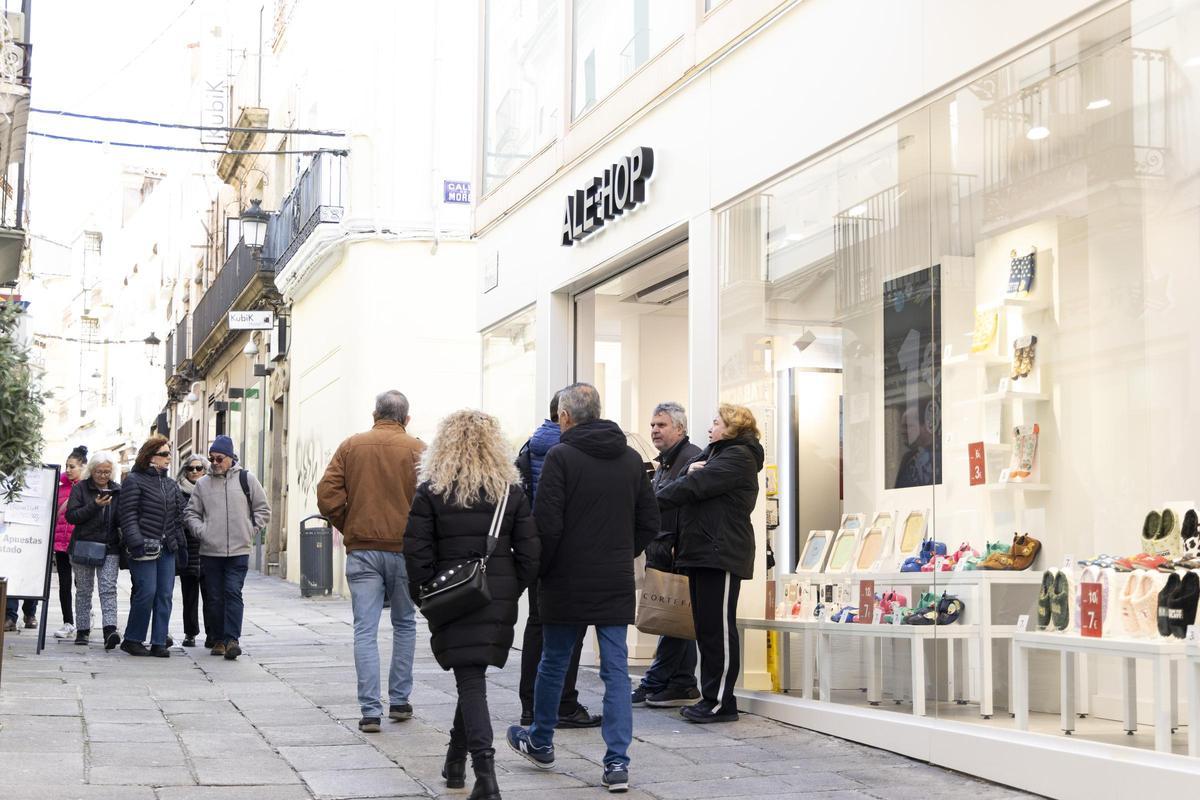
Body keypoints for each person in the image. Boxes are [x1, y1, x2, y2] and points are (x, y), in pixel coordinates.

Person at [507, 383, 659, 794]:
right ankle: (616, 763)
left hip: (566, 579)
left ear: (566, 418)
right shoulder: (630, 458)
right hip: (613, 579)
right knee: (615, 671)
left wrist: (542, 570)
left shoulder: (561, 456)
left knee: (554, 663)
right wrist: (620, 552)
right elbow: (649, 521)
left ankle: (540, 740)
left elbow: (548, 523)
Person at [405, 410, 540, 800]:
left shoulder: (432, 490)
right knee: (472, 675)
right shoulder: (509, 491)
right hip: (495, 597)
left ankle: (486, 774)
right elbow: (531, 554)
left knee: (470, 678)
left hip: (450, 597)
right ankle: (454, 762)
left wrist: (425, 595)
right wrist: (508, 589)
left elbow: (416, 552)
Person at [317, 390, 424, 733]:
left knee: (365, 629)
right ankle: (400, 701)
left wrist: (350, 525)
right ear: (406, 419)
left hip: (362, 550)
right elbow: (432, 500)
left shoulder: (352, 446)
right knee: (405, 623)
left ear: (374, 413)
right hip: (405, 550)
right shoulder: (419, 450)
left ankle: (369, 711)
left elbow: (326, 494)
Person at [656, 404, 763, 723]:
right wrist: (691, 470)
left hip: (721, 553)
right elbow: (689, 475)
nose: (710, 427)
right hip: (704, 552)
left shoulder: (738, 456)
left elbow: (694, 486)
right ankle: (711, 697)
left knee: (718, 629)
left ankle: (720, 702)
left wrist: (650, 502)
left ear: (732, 428)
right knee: (706, 629)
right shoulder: (715, 454)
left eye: (716, 423)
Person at [516, 392, 599, 729]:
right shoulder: (572, 451)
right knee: (571, 629)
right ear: (565, 415)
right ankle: (563, 703)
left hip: (536, 548)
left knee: (537, 625)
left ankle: (530, 704)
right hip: (569, 550)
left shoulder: (531, 445)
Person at [632, 402, 703, 709]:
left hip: (677, 552)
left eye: (661, 425)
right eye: (652, 425)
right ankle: (683, 683)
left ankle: (656, 680)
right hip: (662, 550)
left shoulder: (692, 459)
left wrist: (675, 544)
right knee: (675, 619)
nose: (654, 430)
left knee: (676, 619)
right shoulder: (664, 462)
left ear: (679, 428)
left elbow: (685, 508)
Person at [184, 437, 270, 660]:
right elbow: (190, 514)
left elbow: (263, 509)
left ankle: (232, 639)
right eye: (211, 458)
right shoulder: (203, 484)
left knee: (232, 592)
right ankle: (219, 639)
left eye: (219, 458)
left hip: (239, 551)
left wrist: (249, 530)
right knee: (213, 597)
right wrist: (203, 532)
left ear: (230, 458)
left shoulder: (246, 479)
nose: (214, 462)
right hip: (211, 552)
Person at [117, 435, 188, 657]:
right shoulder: (134, 481)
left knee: (165, 594)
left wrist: (179, 545)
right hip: (143, 548)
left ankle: (159, 641)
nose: (169, 458)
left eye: (169, 453)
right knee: (146, 592)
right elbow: (127, 515)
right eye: (164, 454)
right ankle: (132, 639)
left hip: (166, 548)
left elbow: (179, 516)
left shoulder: (170, 484)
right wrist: (136, 542)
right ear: (150, 457)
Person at [65, 451, 122, 649]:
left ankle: (110, 630)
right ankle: (82, 631)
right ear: (92, 470)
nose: (103, 475)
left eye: (107, 472)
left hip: (110, 547)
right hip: (84, 546)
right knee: (84, 590)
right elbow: (72, 516)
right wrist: (95, 506)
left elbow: (122, 518)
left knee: (108, 589)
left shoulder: (117, 490)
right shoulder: (81, 488)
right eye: (99, 471)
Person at [176, 456, 213, 648]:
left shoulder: (212, 490)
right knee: (189, 596)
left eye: (199, 468)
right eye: (190, 468)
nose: (195, 471)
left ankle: (211, 633)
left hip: (209, 551)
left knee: (210, 595)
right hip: (188, 551)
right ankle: (190, 633)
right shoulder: (179, 492)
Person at [51, 445, 87, 639]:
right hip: (61, 543)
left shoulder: (87, 487)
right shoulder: (60, 486)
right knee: (64, 584)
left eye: (72, 466)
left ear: (82, 467)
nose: (68, 469)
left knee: (82, 584)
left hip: (79, 542)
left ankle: (83, 620)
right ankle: (68, 622)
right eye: (67, 466)